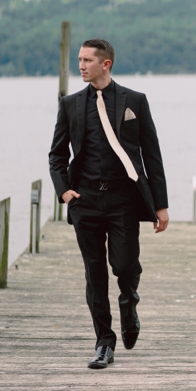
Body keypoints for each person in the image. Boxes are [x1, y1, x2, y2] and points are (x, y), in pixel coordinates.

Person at [48, 39, 168, 370]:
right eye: (79, 59)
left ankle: (129, 304)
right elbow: (57, 155)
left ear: (107, 64)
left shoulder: (135, 101)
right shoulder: (70, 104)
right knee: (95, 274)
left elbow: (151, 155)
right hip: (84, 201)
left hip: (123, 200)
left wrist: (160, 205)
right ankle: (104, 342)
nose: (81, 65)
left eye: (87, 60)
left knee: (126, 265)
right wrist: (64, 192)